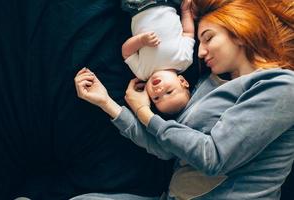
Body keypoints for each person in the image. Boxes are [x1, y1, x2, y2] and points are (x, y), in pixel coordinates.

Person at [74, 0, 294, 199]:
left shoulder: (282, 86)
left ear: (239, 32)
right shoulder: (209, 83)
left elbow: (212, 157)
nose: (200, 51)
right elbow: (166, 147)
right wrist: (106, 102)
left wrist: (144, 112)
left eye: (208, 37)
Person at [121, 0, 195, 114]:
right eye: (169, 92)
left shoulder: (142, 73)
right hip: (168, 3)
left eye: (156, 98)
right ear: (182, 81)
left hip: (138, 7)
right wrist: (185, 12)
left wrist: (141, 41)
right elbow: (188, 33)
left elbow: (126, 52)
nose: (159, 91)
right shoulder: (184, 60)